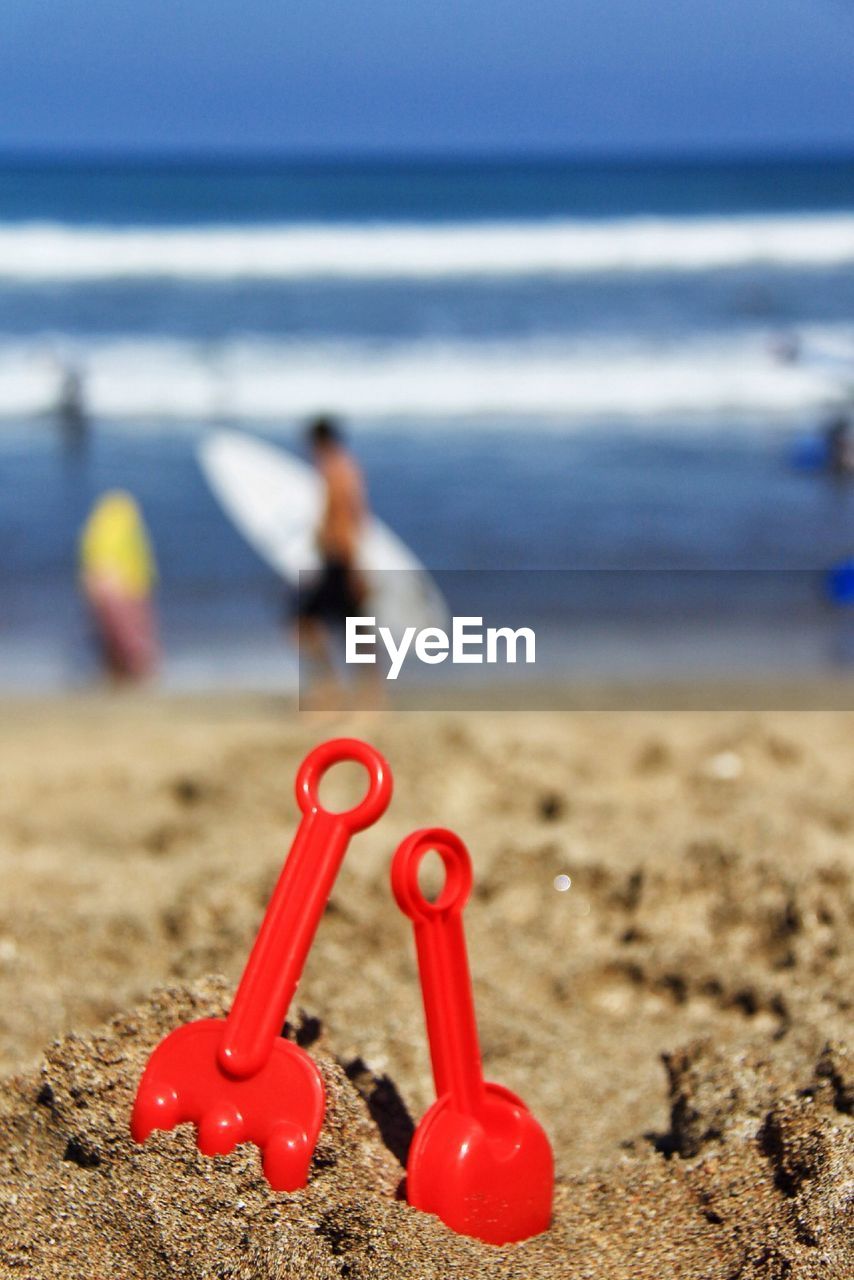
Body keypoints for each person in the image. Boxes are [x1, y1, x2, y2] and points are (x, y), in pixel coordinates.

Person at [295, 416, 369, 692]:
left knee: (304, 623)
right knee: (355, 630)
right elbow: (359, 517)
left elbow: (347, 521)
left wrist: (354, 566)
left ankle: (332, 687)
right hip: (341, 557)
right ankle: (367, 695)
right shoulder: (346, 468)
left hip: (340, 558)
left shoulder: (336, 471)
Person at [79, 491, 160, 681]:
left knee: (116, 635)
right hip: (122, 589)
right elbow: (101, 563)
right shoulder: (114, 527)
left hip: (122, 588)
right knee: (128, 635)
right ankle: (134, 673)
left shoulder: (97, 529)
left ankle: (123, 673)